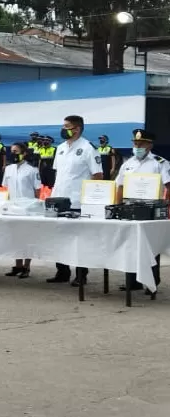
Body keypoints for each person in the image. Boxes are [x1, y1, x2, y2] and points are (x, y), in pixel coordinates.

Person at [48, 115, 102, 286]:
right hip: (58, 199)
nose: (63, 129)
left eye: (66, 126)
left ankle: (81, 274)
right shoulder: (61, 148)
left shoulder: (88, 148)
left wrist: (91, 200)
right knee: (58, 238)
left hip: (77, 201)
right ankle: (62, 271)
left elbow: (98, 175)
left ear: (77, 128)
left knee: (79, 240)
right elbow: (59, 174)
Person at [114, 129, 170, 293]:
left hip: (151, 211)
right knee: (130, 246)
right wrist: (117, 206)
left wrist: (166, 204)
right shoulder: (127, 163)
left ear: (149, 145)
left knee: (150, 247)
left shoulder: (160, 163)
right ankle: (132, 281)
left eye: (141, 144)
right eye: (135, 143)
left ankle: (152, 281)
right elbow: (120, 186)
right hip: (130, 209)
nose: (137, 146)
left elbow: (168, 186)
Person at [2, 142, 41, 278]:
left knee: (27, 237)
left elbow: (37, 190)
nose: (13, 154)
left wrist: (35, 205)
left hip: (27, 208)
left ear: (24, 153)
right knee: (15, 237)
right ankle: (17, 265)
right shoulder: (8, 169)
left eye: (16, 151)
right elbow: (5, 188)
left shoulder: (32, 170)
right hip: (13, 207)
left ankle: (26, 266)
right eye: (11, 151)